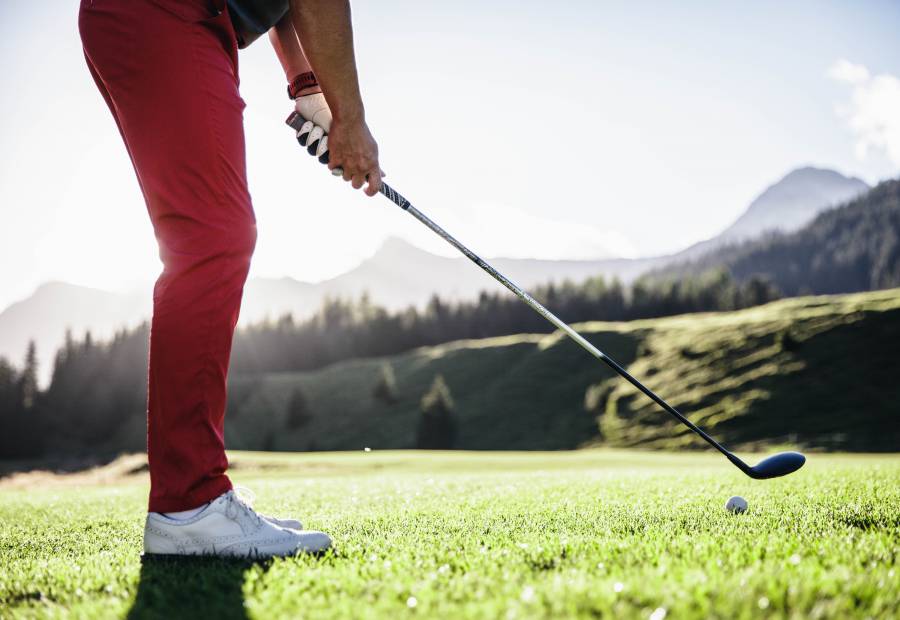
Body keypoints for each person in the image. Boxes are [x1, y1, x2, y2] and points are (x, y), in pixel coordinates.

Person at [78, 0, 381, 558]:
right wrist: (350, 119)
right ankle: (189, 503)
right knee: (212, 238)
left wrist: (307, 88)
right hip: (166, 15)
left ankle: (196, 497)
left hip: (179, 21)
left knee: (215, 236)